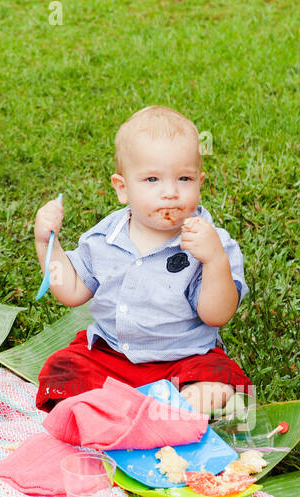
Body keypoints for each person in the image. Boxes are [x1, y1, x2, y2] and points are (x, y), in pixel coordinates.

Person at [33, 105, 252, 417]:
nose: (170, 193)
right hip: (112, 355)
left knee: (216, 382)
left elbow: (217, 314)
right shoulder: (105, 237)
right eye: (152, 179)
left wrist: (214, 259)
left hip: (184, 358)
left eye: (184, 179)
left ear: (199, 182)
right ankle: (131, 412)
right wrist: (46, 243)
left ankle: (151, 414)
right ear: (122, 188)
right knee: (62, 372)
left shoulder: (211, 242)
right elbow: (71, 292)